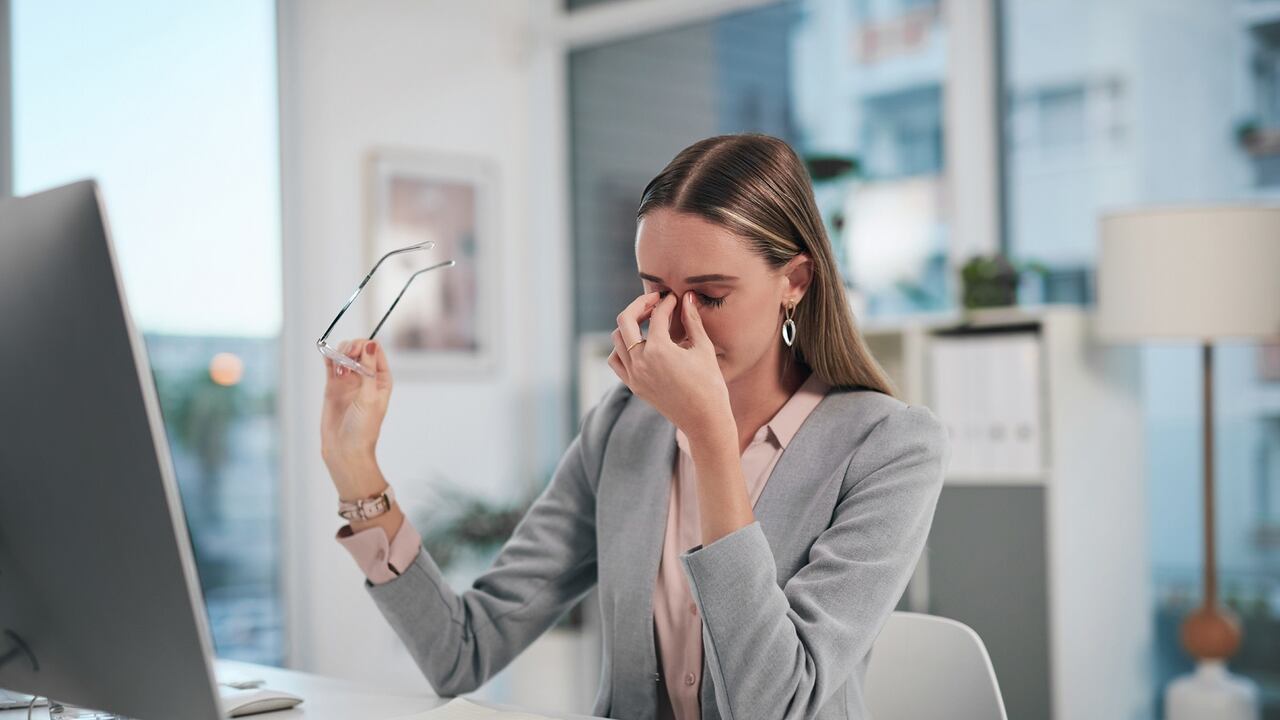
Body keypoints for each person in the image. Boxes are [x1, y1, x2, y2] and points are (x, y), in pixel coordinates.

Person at [319, 133, 950, 720]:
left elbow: (776, 704)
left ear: (795, 281)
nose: (674, 326)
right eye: (656, 290)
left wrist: (710, 442)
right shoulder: (624, 426)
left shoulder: (890, 447)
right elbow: (461, 652)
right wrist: (358, 473)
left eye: (711, 295)